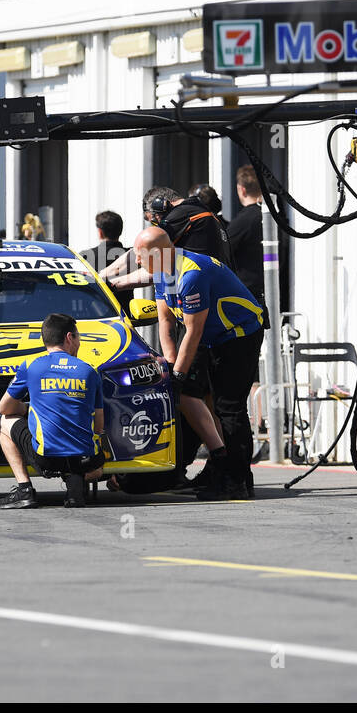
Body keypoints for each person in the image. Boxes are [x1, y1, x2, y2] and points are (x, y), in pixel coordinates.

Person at [136, 226, 265, 500]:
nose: (137, 261)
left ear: (158, 253)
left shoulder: (192, 274)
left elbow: (193, 332)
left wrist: (179, 375)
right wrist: (171, 364)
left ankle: (237, 481)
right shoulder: (161, 271)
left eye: (140, 255)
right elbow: (166, 321)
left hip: (239, 335)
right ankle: (219, 466)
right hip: (212, 336)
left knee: (229, 408)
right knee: (198, 397)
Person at [0, 313, 106, 510]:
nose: (79, 343)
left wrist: (28, 408)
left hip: (47, 459)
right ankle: (75, 483)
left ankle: (24, 490)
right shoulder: (90, 370)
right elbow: (99, 426)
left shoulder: (30, 366)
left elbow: (4, 408)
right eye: (78, 337)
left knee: (5, 421)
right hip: (87, 460)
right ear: (69, 337)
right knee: (92, 454)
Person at [104, 186, 232, 293]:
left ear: (161, 204)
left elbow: (141, 252)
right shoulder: (201, 213)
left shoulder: (181, 215)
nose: (157, 227)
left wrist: (104, 279)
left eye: (155, 221)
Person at [80, 210, 136, 310]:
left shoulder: (85, 257)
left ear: (100, 232)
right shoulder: (133, 256)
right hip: (125, 317)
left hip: (94, 315)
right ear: (120, 230)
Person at [226, 165, 266, 304]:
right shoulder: (274, 217)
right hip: (272, 290)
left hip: (247, 296)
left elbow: (222, 249)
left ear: (241, 189)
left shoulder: (243, 221)